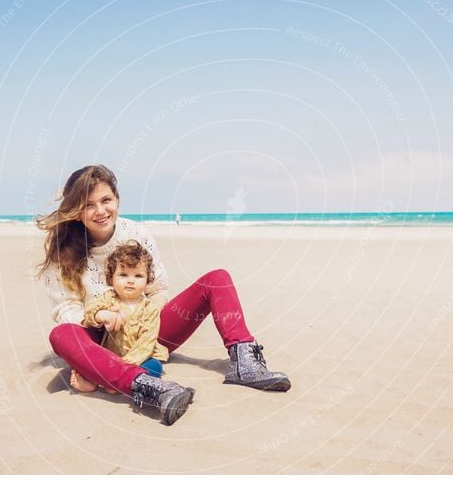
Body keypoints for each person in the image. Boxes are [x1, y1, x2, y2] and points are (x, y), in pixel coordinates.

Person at [37, 165, 290, 426]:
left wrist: (141, 318)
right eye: (89, 205)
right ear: (77, 211)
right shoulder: (63, 252)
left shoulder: (136, 234)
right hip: (100, 339)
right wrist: (103, 316)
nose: (100, 211)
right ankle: (144, 385)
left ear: (117, 200)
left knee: (217, 279)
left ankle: (244, 363)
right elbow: (65, 307)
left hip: (148, 328)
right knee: (61, 334)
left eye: (106, 200)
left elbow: (158, 289)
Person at [71, 240, 167, 394]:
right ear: (111, 278)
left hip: (138, 358)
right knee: (87, 360)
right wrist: (102, 314)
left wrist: (123, 367)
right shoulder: (109, 298)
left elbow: (146, 344)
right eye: (123, 274)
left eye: (138, 276)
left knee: (155, 367)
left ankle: (117, 381)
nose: (130, 280)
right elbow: (89, 311)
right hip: (111, 355)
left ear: (148, 280)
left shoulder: (150, 309)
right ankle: (94, 383)